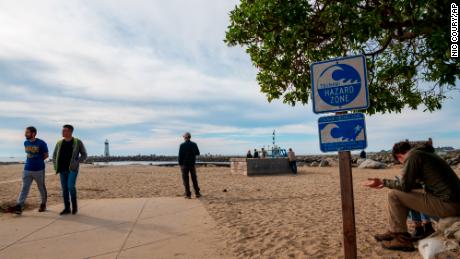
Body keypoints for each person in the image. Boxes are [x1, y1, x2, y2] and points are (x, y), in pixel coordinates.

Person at [365, 140, 460, 251]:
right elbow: (413, 186)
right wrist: (388, 183)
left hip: (449, 204)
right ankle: (394, 231)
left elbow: (405, 186)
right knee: (408, 192)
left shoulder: (413, 155)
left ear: (399, 156)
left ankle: (401, 239)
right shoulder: (424, 153)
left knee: (393, 195)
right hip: (453, 202)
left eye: (401, 163)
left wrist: (383, 182)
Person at [10, 127, 49, 215]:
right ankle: (19, 206)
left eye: (27, 133)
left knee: (41, 188)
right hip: (27, 169)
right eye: (25, 132)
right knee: (24, 188)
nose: (25, 134)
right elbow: (28, 154)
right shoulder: (26, 143)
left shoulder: (41, 143)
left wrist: (38, 161)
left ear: (33, 133)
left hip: (39, 170)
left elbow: (46, 155)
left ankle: (43, 204)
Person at [53, 125, 87, 215]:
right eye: (62, 130)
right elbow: (54, 155)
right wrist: (55, 166)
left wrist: (77, 162)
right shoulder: (59, 143)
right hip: (62, 169)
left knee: (70, 186)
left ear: (70, 132)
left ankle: (74, 207)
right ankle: (67, 208)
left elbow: (84, 155)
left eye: (64, 131)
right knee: (64, 189)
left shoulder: (77, 142)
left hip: (73, 169)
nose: (62, 132)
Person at [178, 132, 201, 199]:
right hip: (192, 164)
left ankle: (188, 194)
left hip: (184, 165)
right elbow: (198, 153)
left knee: (185, 179)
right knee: (194, 179)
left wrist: (180, 164)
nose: (183, 138)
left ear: (186, 137)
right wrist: (192, 152)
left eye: (184, 137)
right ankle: (197, 193)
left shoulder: (182, 145)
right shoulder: (194, 144)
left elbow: (180, 156)